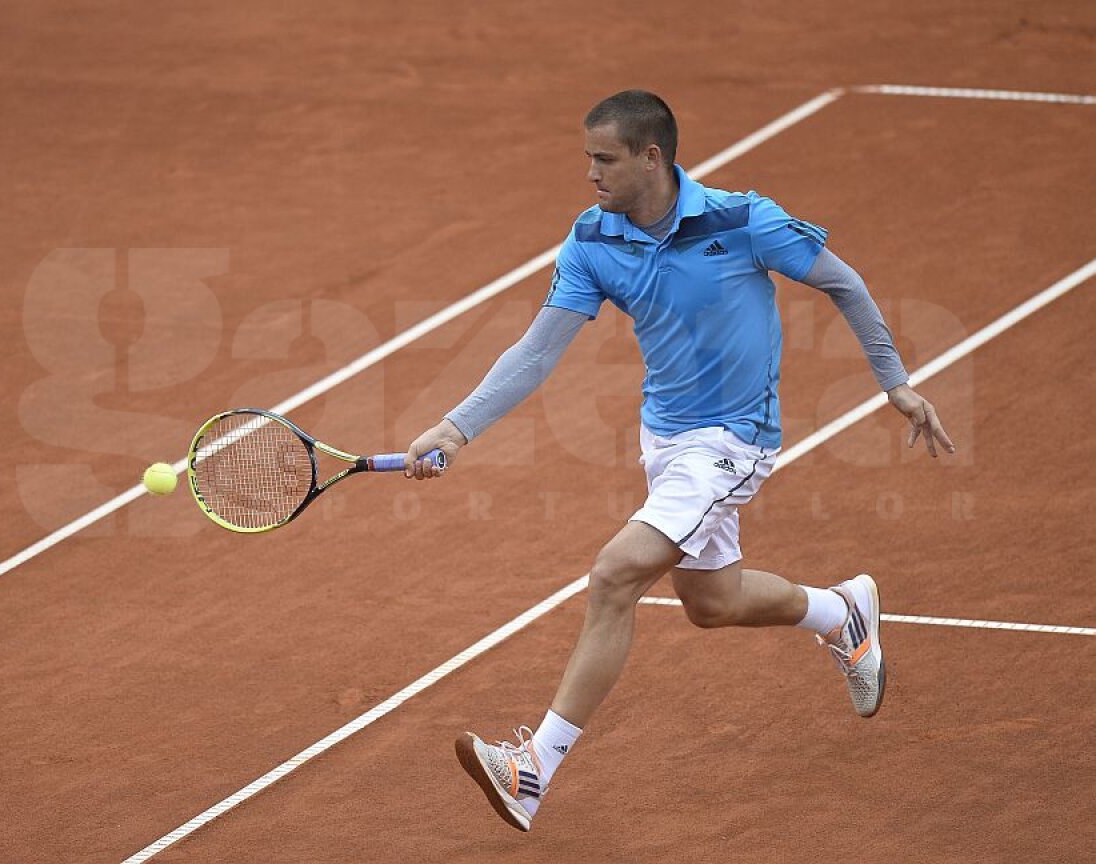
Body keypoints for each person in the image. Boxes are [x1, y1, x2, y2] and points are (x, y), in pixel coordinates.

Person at [403, 90, 954, 832]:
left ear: (651, 157)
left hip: (732, 440)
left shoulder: (743, 219)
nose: (591, 174)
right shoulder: (592, 239)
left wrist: (896, 383)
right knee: (711, 603)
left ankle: (534, 768)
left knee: (615, 575)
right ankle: (841, 612)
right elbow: (536, 351)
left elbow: (842, 282)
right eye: (588, 158)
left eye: (605, 159)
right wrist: (456, 428)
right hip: (664, 441)